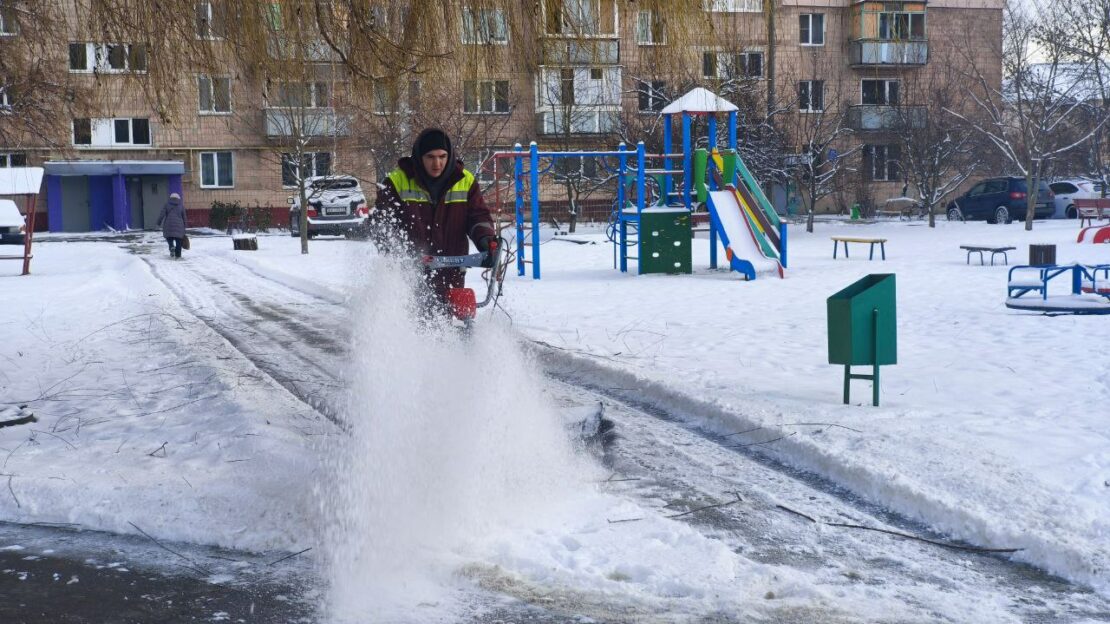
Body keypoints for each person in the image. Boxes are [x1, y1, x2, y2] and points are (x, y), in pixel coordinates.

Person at [371, 128, 497, 310]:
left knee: (451, 320)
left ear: (450, 155)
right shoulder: (397, 182)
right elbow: (382, 224)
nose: (437, 163)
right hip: (411, 273)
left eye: (442, 156)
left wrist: (485, 238)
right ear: (419, 157)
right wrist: (396, 252)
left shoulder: (465, 180)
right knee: (412, 319)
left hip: (453, 270)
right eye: (430, 157)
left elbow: (478, 216)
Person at [158, 192, 187, 259]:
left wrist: (159, 222)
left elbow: (162, 214)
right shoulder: (181, 206)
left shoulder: (167, 205)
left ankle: (171, 246)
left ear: (170, 198)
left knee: (169, 237)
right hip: (179, 225)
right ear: (178, 198)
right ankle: (178, 255)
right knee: (179, 240)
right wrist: (185, 225)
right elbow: (184, 217)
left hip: (168, 224)